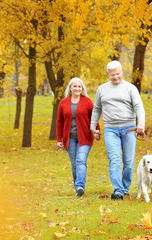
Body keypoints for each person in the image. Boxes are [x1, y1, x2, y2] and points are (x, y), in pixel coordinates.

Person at [90, 60, 145, 200]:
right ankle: (118, 190)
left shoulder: (130, 88)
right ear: (108, 74)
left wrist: (141, 124)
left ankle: (125, 188)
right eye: (112, 75)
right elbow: (97, 108)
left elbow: (139, 106)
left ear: (122, 72)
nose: (115, 77)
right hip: (111, 130)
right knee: (114, 160)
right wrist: (92, 126)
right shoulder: (102, 89)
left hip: (129, 128)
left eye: (117, 74)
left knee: (128, 161)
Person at [57, 77, 99, 197]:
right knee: (75, 164)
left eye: (79, 86)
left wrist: (96, 131)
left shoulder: (87, 101)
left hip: (85, 138)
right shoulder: (63, 102)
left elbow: (94, 118)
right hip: (69, 138)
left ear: (82, 88)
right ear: (70, 88)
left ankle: (80, 186)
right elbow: (59, 122)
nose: (77, 88)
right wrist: (59, 139)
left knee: (81, 160)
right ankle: (78, 188)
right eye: (74, 86)